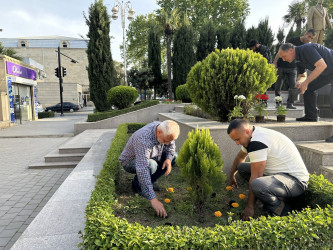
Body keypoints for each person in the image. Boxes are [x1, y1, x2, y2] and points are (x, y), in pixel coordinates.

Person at [227, 119, 309, 220]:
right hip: (280, 175)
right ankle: (278, 197)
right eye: (235, 140)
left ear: (246, 131)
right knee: (241, 168)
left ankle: (281, 209)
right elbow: (240, 156)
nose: (237, 143)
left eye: (238, 139)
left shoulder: (257, 142)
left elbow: (256, 177)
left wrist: (250, 207)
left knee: (256, 184)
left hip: (295, 181)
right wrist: (231, 174)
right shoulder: (252, 135)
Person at [119, 120, 180, 218]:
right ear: (159, 132)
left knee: (174, 156)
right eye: (165, 141)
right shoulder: (143, 138)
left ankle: (149, 181)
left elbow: (171, 147)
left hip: (151, 156)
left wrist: (168, 159)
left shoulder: (166, 129)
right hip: (130, 161)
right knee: (151, 165)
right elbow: (142, 168)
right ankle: (137, 185)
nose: (167, 143)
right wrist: (153, 199)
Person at [278, 42, 333, 142]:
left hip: (328, 69)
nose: (283, 59)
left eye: (283, 56)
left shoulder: (307, 49)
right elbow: (302, 76)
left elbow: (321, 65)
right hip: (328, 73)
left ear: (290, 51)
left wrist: (306, 83)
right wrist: (300, 83)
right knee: (309, 88)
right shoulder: (297, 60)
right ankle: (311, 116)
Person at [272, 29, 317, 109]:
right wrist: (275, 62)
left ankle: (290, 103)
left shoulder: (306, 46)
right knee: (278, 86)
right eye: (309, 36)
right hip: (281, 66)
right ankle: (278, 103)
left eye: (311, 38)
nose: (309, 39)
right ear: (305, 34)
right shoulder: (292, 40)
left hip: (293, 68)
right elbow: (280, 51)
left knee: (293, 86)